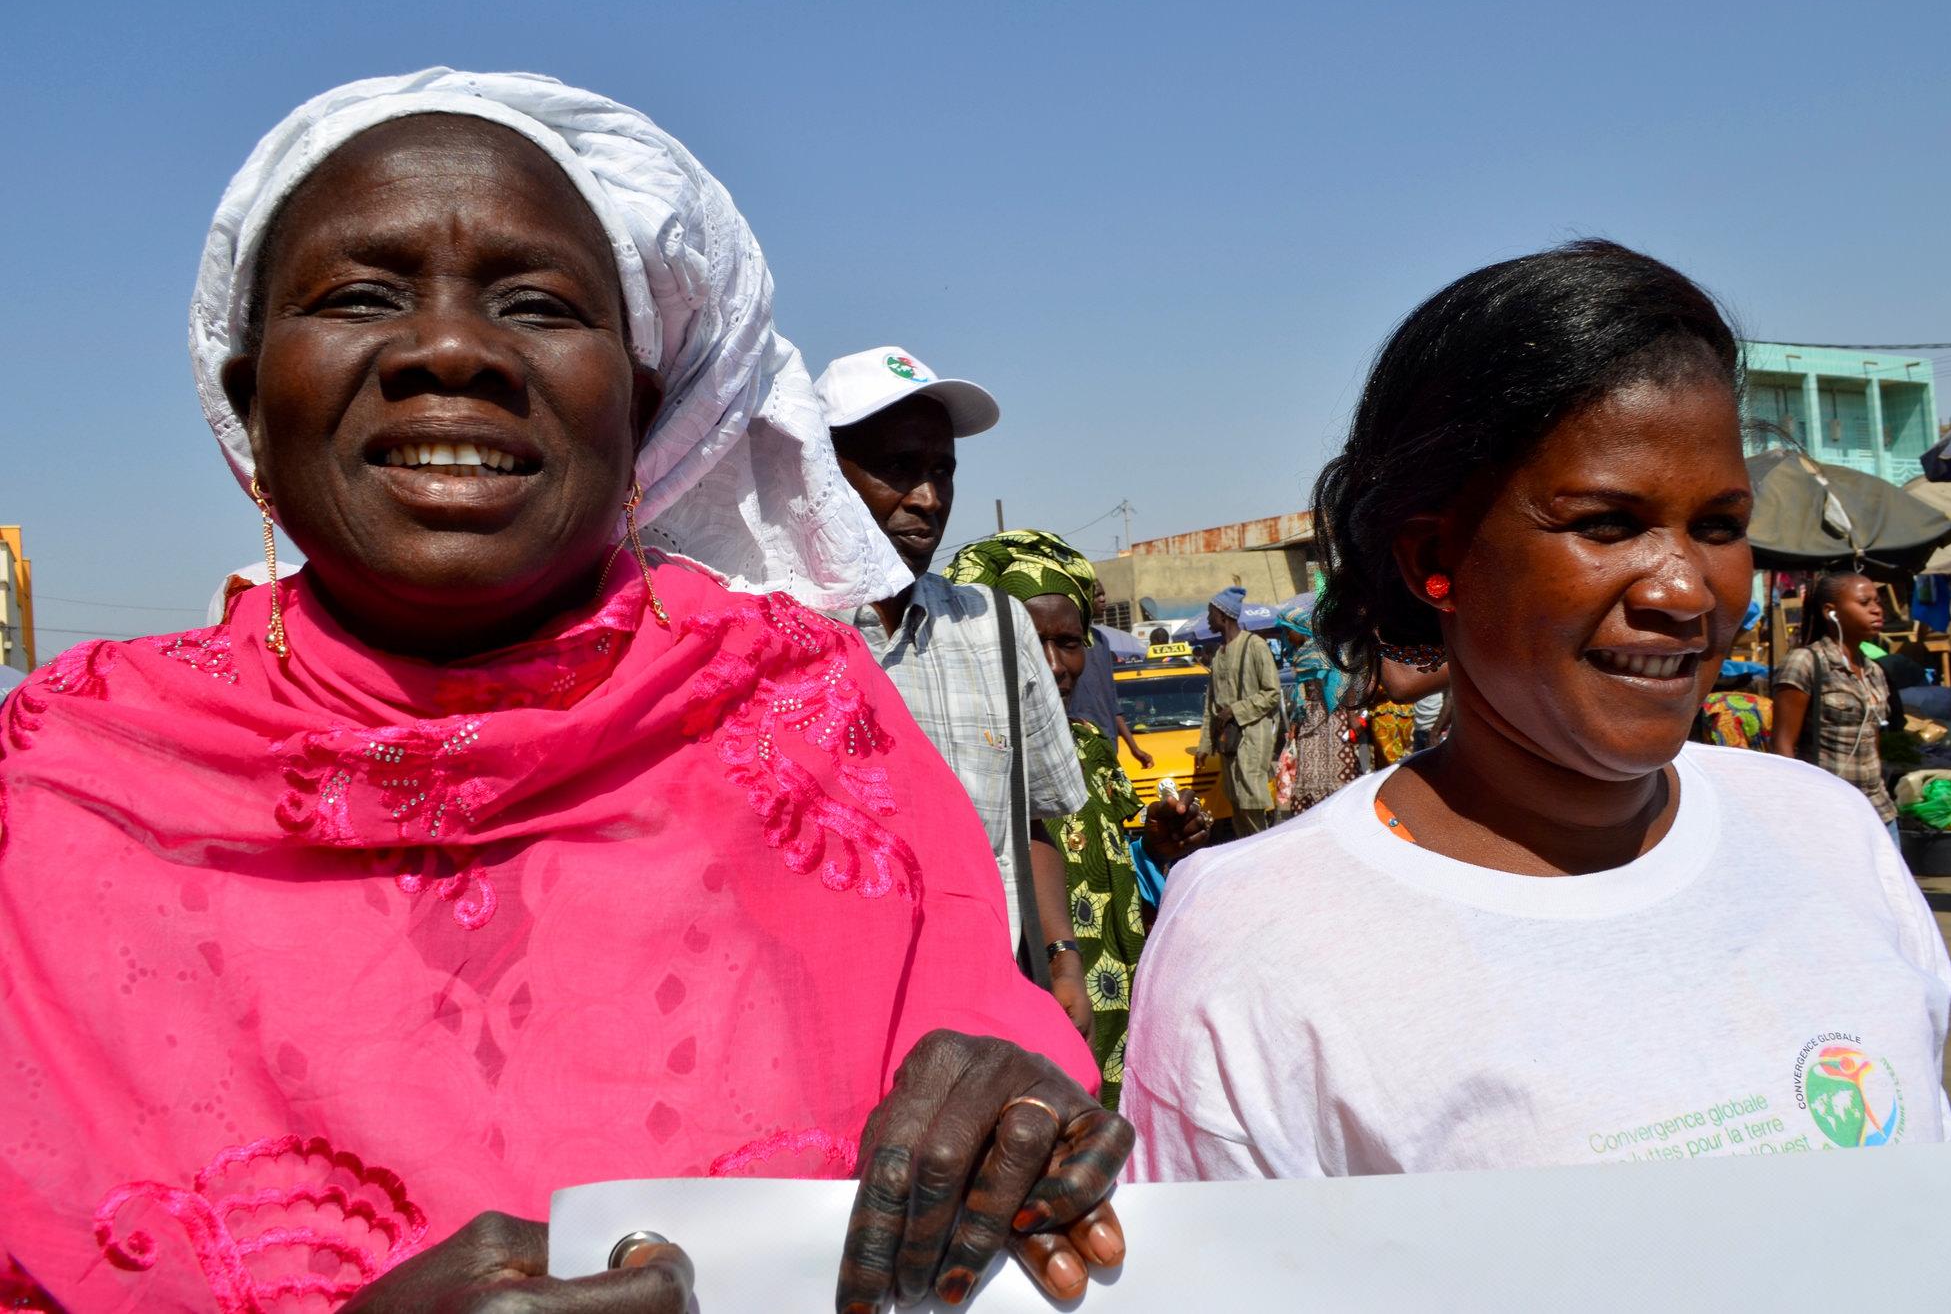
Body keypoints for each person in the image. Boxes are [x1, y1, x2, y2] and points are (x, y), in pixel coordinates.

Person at [0, 72, 1131, 1313]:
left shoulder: (806, 710)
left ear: (642, 409)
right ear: (248, 400)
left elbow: (990, 1041)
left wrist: (1016, 1111)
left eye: (537, 306)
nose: (449, 350)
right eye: (362, 297)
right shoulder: (59, 781)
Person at [1121, 240, 1951, 1180]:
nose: (1686, 589)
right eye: (1606, 523)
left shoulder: (1827, 834)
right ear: (1435, 556)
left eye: (1719, 526)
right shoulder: (1256, 944)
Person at [819, 348, 1090, 988]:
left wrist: (1062, 959)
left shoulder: (993, 628)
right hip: (838, 1004)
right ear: (821, 471)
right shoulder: (771, 631)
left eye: (943, 470)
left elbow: (1030, 825)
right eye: (898, 468)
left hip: (986, 1000)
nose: (929, 498)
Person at [948, 533, 1208, 1109]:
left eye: (1068, 643)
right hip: (1018, 1023)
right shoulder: (956, 761)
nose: (1053, 665)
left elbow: (1113, 875)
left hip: (1116, 1020)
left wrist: (1155, 851)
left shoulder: (1089, 749)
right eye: (1028, 641)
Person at [1770, 571, 1897, 838]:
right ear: (1832, 612)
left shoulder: (1873, 670)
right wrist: (1798, 807)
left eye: (1877, 602)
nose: (1876, 610)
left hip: (1878, 811)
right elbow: (1783, 746)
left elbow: (1873, 739)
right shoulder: (1806, 662)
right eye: (1864, 603)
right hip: (1827, 812)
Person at [1194, 586, 1281, 833]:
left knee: (1251, 800)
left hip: (1252, 737)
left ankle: (1263, 852)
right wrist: (1203, 747)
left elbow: (1272, 693)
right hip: (1227, 741)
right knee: (1236, 803)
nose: (1208, 620)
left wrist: (1235, 710)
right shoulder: (1218, 655)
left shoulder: (1255, 646)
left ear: (1223, 616)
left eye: (1210, 614)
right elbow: (1211, 706)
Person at [1275, 596, 1359, 811]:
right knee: (1310, 774)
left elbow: (1344, 682)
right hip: (1311, 721)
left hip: (1331, 719)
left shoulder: (1325, 650)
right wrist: (1295, 723)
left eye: (1287, 630)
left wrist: (1351, 718)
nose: (1286, 636)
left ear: (1299, 628)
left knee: (1335, 773)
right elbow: (1302, 696)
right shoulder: (1302, 655)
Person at [1067, 580, 1153, 770]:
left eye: (1103, 594)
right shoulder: (1068, 641)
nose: (1104, 599)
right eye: (1097, 595)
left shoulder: (1101, 641)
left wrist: (1134, 748)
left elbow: (1112, 703)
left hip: (1108, 745)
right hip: (1081, 746)